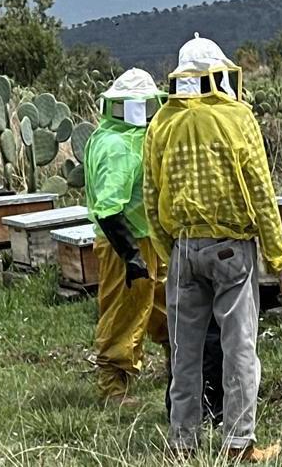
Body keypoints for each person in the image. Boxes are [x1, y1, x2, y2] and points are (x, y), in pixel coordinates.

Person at [145, 33, 282, 463]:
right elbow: (260, 187)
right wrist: (275, 249)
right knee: (239, 347)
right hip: (232, 247)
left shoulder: (161, 123)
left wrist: (168, 246)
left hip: (183, 247)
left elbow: (151, 194)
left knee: (183, 350)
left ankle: (182, 442)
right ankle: (239, 443)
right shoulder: (237, 117)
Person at [84, 68, 169, 406]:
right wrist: (131, 255)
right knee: (123, 313)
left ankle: (177, 365)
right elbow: (108, 209)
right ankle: (112, 388)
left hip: (148, 238)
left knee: (162, 306)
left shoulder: (118, 136)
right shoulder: (118, 145)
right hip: (126, 242)